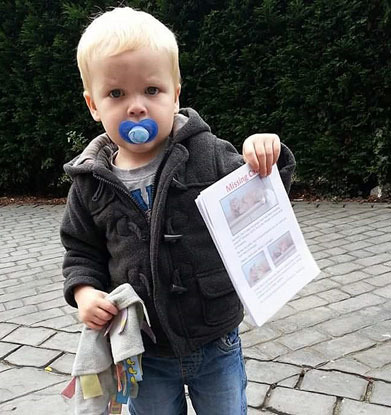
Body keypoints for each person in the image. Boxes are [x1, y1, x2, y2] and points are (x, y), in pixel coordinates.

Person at [60, 7, 295, 415]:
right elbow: (80, 251)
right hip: (144, 349)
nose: (137, 107)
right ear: (93, 104)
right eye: (116, 94)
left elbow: (265, 194)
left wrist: (267, 152)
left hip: (214, 336)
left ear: (176, 93)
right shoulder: (90, 183)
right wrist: (84, 294)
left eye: (152, 90)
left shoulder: (206, 152)